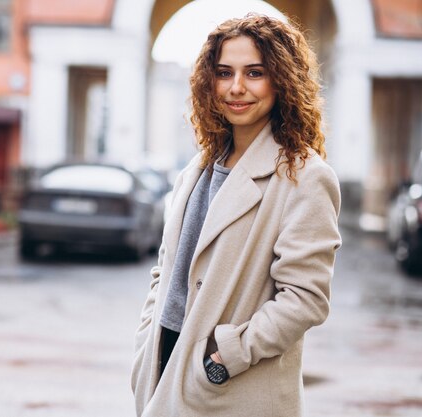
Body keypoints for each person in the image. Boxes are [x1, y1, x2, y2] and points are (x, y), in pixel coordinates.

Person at [131, 13, 342, 417]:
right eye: (224, 72)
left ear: (281, 80)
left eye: (255, 72)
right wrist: (146, 341)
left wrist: (227, 356)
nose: (236, 87)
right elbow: (165, 271)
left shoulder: (304, 177)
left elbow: (305, 299)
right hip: (164, 363)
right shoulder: (198, 169)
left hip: (228, 385)